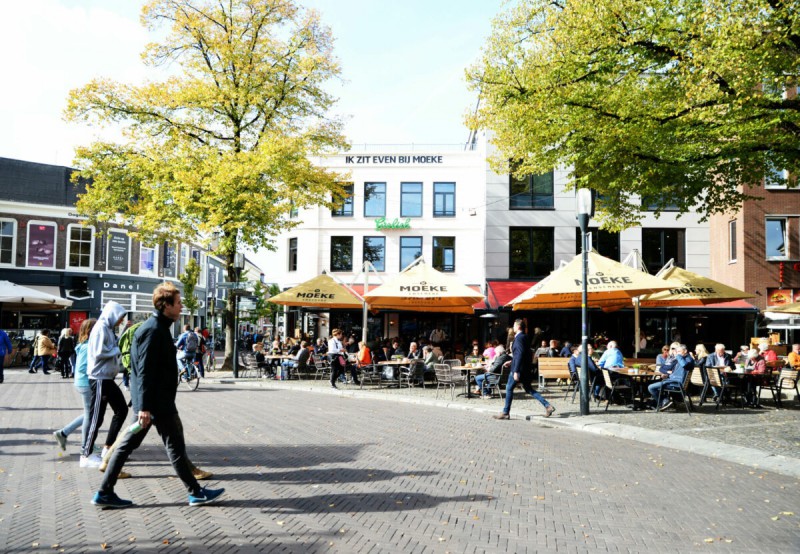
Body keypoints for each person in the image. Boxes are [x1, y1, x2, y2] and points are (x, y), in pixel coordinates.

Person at [92, 281, 224, 509]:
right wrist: (143, 407)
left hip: (156, 402)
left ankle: (105, 492)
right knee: (166, 446)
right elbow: (143, 371)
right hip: (156, 404)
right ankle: (195, 492)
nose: (182, 306)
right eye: (179, 303)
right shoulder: (152, 330)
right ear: (166, 305)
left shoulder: (157, 328)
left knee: (142, 446)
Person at [81, 301, 128, 469]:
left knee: (122, 410)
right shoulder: (101, 328)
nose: (120, 321)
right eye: (120, 318)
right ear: (112, 315)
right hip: (100, 378)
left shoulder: (107, 328)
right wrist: (117, 350)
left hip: (107, 378)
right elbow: (98, 353)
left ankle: (107, 448)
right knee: (96, 418)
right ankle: (85, 455)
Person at [493, 319, 555, 420]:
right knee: (529, 389)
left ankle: (505, 412)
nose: (513, 328)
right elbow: (521, 355)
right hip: (524, 369)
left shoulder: (519, 338)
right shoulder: (525, 337)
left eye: (514, 326)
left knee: (509, 388)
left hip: (519, 369)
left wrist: (516, 370)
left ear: (518, 327)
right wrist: (512, 361)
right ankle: (548, 406)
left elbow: (520, 354)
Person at [53, 319, 97, 456]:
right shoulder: (87, 346)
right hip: (86, 383)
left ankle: (64, 433)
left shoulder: (84, 344)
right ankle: (86, 445)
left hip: (82, 383)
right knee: (91, 415)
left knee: (89, 414)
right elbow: (83, 368)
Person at [648, 343, 694, 411]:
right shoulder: (681, 359)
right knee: (651, 384)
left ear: (685, 351)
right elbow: (666, 368)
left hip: (676, 384)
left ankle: (664, 402)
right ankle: (664, 402)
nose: (677, 353)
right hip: (671, 381)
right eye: (677, 352)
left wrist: (678, 356)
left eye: (679, 351)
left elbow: (684, 365)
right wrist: (667, 374)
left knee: (651, 387)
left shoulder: (688, 359)